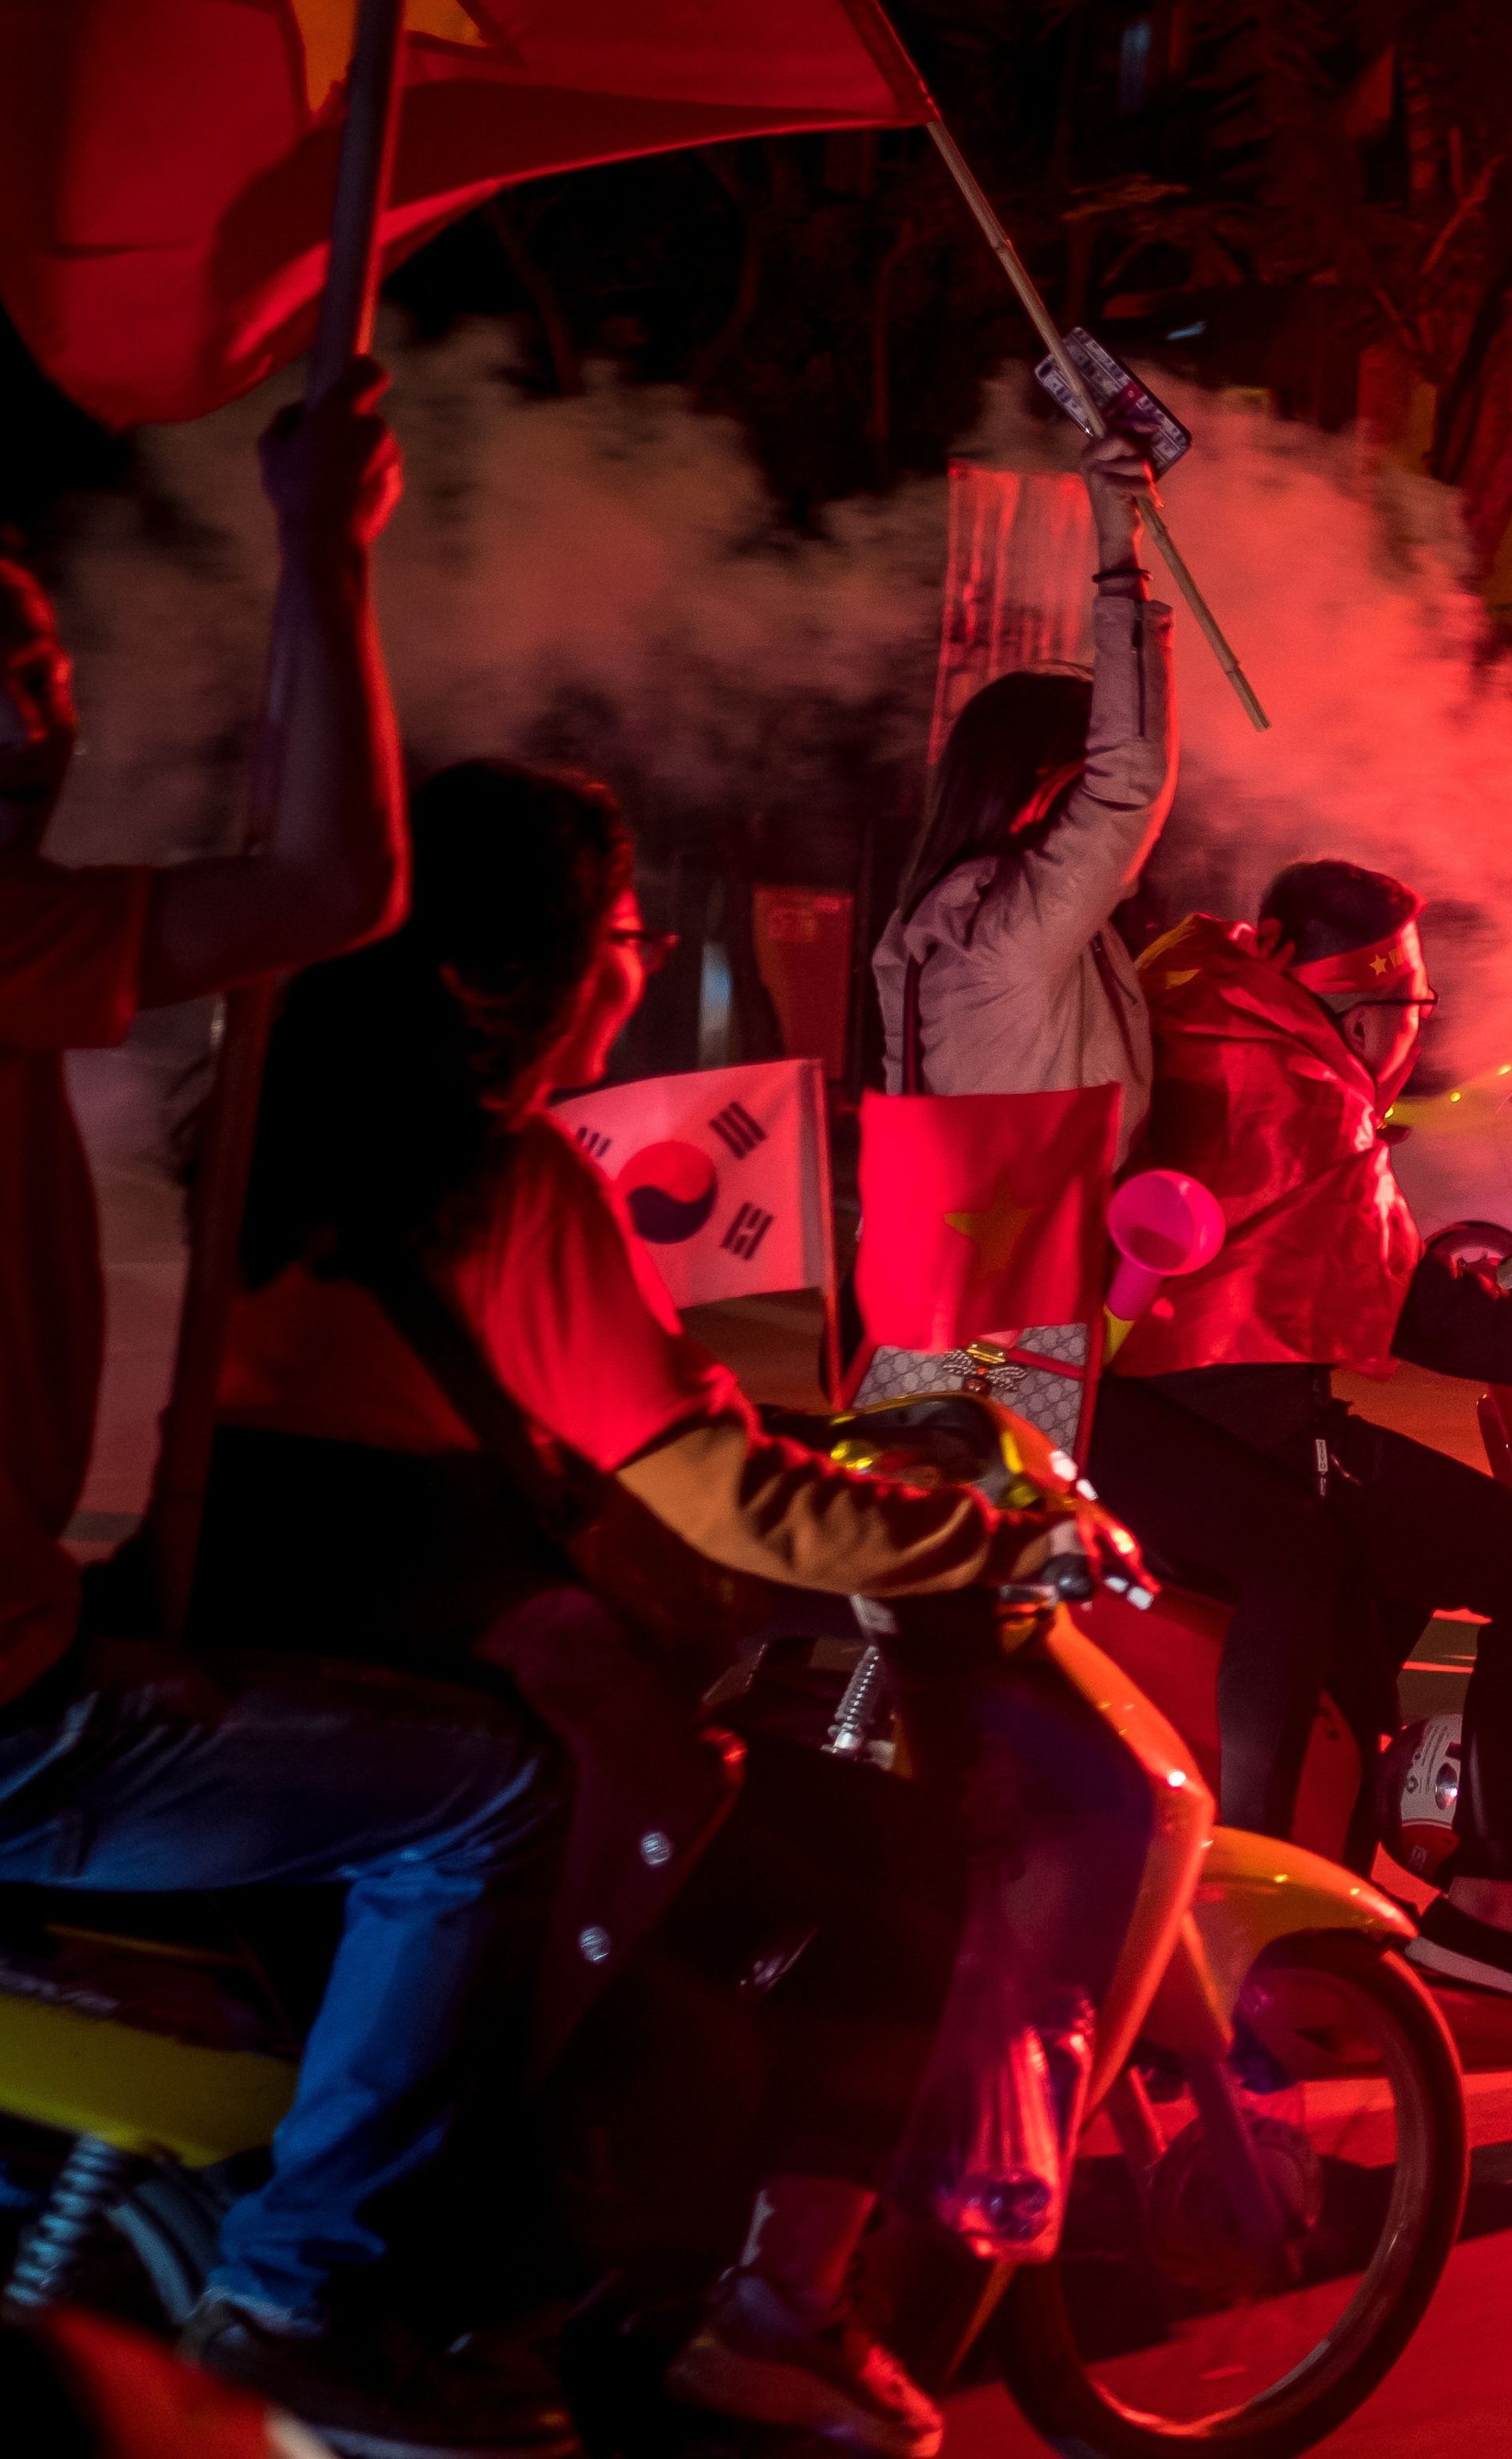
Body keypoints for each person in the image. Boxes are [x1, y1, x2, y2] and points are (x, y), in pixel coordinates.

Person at [205, 759, 1104, 2459]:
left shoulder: (250, 1128)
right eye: (620, 931)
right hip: (453, 1650)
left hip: (262, 1626)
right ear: (517, 969)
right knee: (883, 1871)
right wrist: (983, 1546)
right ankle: (764, 2320)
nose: (639, 960)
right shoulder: (499, 1180)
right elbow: (727, 1493)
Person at [0, 367, 589, 2456]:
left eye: (50, 677)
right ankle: (304, 2291)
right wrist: (325, 551)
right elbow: (329, 887)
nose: (36, 724)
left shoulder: (13, 982)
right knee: (486, 1797)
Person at [1107, 858, 1512, 2014]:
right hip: (1249, 1418)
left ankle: (1346, 1869)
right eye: (1411, 1013)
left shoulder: (1200, 1014)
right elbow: (1419, 1307)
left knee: (1377, 1574)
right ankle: (1491, 1905)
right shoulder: (1307, 1088)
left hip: (1145, 1409)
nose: (1409, 1038)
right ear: (1366, 1009)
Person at [872, 429, 1173, 1144]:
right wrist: (1119, 559)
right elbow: (1130, 779)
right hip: (1038, 1251)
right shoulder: (1008, 934)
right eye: (1084, 769)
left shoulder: (934, 926)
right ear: (1048, 782)